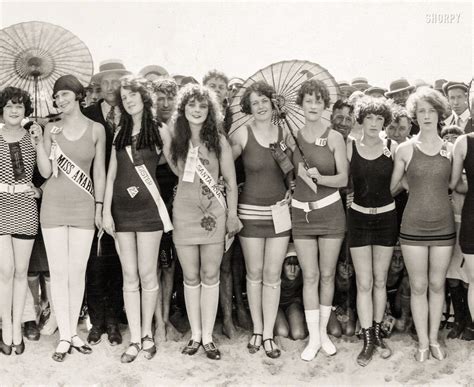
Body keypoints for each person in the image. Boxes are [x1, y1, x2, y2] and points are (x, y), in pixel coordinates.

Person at [162, 83, 240, 360]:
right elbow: (176, 171)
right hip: (184, 213)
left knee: (211, 275)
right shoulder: (175, 139)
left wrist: (232, 215)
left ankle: (208, 336)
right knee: (191, 276)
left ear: (211, 111)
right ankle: (195, 334)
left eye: (203, 105)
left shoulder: (218, 141)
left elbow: (230, 181)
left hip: (213, 215)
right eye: (192, 105)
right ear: (183, 109)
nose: (197, 110)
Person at [102, 75, 172, 363]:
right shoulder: (119, 130)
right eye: (124, 96)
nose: (128, 99)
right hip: (121, 213)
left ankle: (147, 335)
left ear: (144, 97)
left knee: (147, 274)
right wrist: (105, 210)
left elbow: (177, 165)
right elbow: (111, 174)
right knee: (128, 277)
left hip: (149, 214)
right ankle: (133, 337)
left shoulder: (160, 130)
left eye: (132, 94)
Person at [39, 75, 106, 361]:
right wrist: (39, 140)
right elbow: (44, 172)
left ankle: (73, 333)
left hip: (83, 207)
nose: (60, 100)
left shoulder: (97, 129)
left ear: (78, 95)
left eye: (65, 94)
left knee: (77, 272)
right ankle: (65, 335)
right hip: (53, 206)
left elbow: (100, 172)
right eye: (57, 97)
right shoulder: (51, 129)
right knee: (59, 272)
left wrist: (100, 207)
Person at [390, 87, 454, 362]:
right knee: (418, 286)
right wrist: (407, 181)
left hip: (444, 226)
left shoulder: (450, 148)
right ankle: (423, 344)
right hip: (413, 227)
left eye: (431, 110)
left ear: (439, 113)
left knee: (437, 284)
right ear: (414, 115)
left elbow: (455, 185)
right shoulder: (405, 149)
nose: (426, 116)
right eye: (421, 111)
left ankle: (434, 339)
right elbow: (392, 188)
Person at [287, 79, 348, 361]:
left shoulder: (335, 137)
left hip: (330, 212)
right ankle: (313, 337)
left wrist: (320, 178)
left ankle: (323, 333)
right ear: (301, 104)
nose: (313, 106)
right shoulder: (292, 137)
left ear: (325, 106)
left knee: (326, 274)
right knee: (309, 276)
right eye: (308, 101)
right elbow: (288, 174)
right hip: (302, 213)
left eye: (318, 101)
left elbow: (344, 179)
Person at [230, 81, 292, 359]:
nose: (260, 106)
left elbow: (293, 172)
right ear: (249, 108)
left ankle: (268, 334)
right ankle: (257, 329)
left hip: (279, 213)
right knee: (253, 275)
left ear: (273, 102)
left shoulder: (285, 133)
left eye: (264, 100)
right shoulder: (243, 133)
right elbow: (223, 163)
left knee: (272, 275)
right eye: (254, 103)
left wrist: (292, 191)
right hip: (251, 214)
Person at [346, 96, 398, 366]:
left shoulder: (393, 146)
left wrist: (387, 197)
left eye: (380, 119)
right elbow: (344, 182)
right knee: (364, 283)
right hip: (358, 220)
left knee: (380, 281)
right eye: (370, 118)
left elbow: (400, 182)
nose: (375, 123)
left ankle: (377, 333)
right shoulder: (350, 146)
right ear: (361, 120)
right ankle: (367, 338)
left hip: (386, 220)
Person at [83, 59, 131, 346]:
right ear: (99, 85)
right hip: (93, 195)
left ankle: (114, 320)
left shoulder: (132, 112)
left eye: (117, 80)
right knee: (94, 261)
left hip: (126, 194)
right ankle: (96, 320)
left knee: (117, 262)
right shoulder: (87, 114)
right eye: (107, 81)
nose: (112, 86)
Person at [0, 87, 47, 355]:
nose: (14, 110)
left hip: (25, 208)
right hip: (1, 207)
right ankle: (6, 326)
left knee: (20, 272)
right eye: (8, 106)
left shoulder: (33, 136)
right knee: (5, 272)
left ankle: (17, 327)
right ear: (2, 110)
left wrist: (40, 142)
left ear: (25, 109)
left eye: (19, 106)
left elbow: (45, 172)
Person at [151, 77, 181, 342]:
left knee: (169, 263)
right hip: (153, 192)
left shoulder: (184, 125)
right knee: (154, 263)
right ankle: (157, 322)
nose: (165, 103)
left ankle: (166, 317)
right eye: (160, 98)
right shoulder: (151, 126)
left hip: (178, 193)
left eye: (170, 97)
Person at [450, 129, 474, 340]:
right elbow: (454, 184)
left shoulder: (463, 143)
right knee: (468, 277)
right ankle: (464, 322)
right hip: (467, 219)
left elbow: (457, 183)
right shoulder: (464, 143)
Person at [274, 244, 306, 341]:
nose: (293, 270)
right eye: (289, 264)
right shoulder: (275, 276)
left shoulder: (303, 277)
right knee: (282, 332)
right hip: (276, 306)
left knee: (298, 334)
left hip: (293, 304)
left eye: (297, 265)